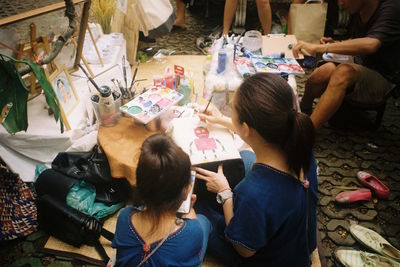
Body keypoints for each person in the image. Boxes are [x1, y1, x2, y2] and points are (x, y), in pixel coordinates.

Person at [194, 73, 318, 266]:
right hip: (296, 242)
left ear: (246, 129)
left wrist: (225, 193)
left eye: (231, 110)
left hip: (262, 258)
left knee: (200, 212)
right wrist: (221, 120)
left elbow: (244, 250)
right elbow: (257, 133)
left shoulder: (253, 192)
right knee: (246, 158)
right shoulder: (302, 151)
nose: (229, 113)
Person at [293, 0, 400, 130]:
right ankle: (304, 108)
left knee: (344, 72)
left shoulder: (392, 7)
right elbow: (356, 39)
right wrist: (336, 43)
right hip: (358, 63)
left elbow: (371, 44)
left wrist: (320, 48)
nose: (340, 4)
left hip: (382, 79)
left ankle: (306, 134)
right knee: (324, 71)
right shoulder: (357, 8)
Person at [112, 134, 211, 266]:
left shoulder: (124, 217)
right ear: (187, 190)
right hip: (187, 229)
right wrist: (190, 218)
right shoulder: (193, 231)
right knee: (204, 222)